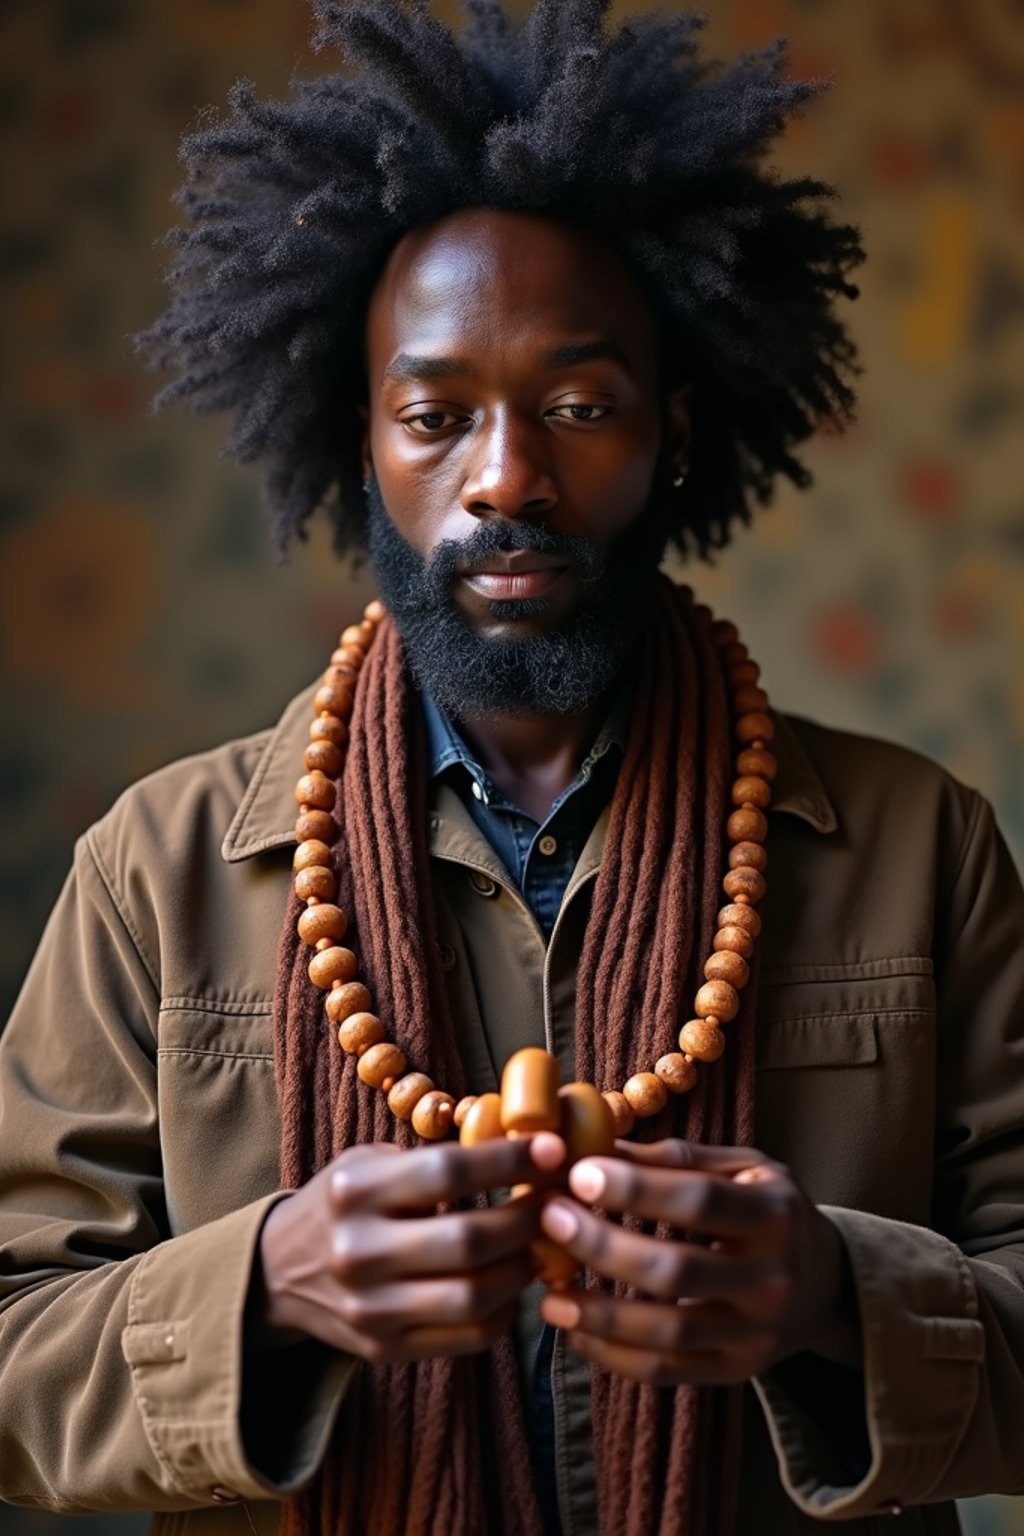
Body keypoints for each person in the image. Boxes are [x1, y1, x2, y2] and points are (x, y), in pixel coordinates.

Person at [1, 3, 1023, 1534]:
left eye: (579, 406)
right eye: (436, 416)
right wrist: (264, 1288)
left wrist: (832, 1297)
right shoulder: (156, 868)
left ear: (673, 437)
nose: (507, 477)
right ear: (363, 447)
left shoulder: (915, 843)